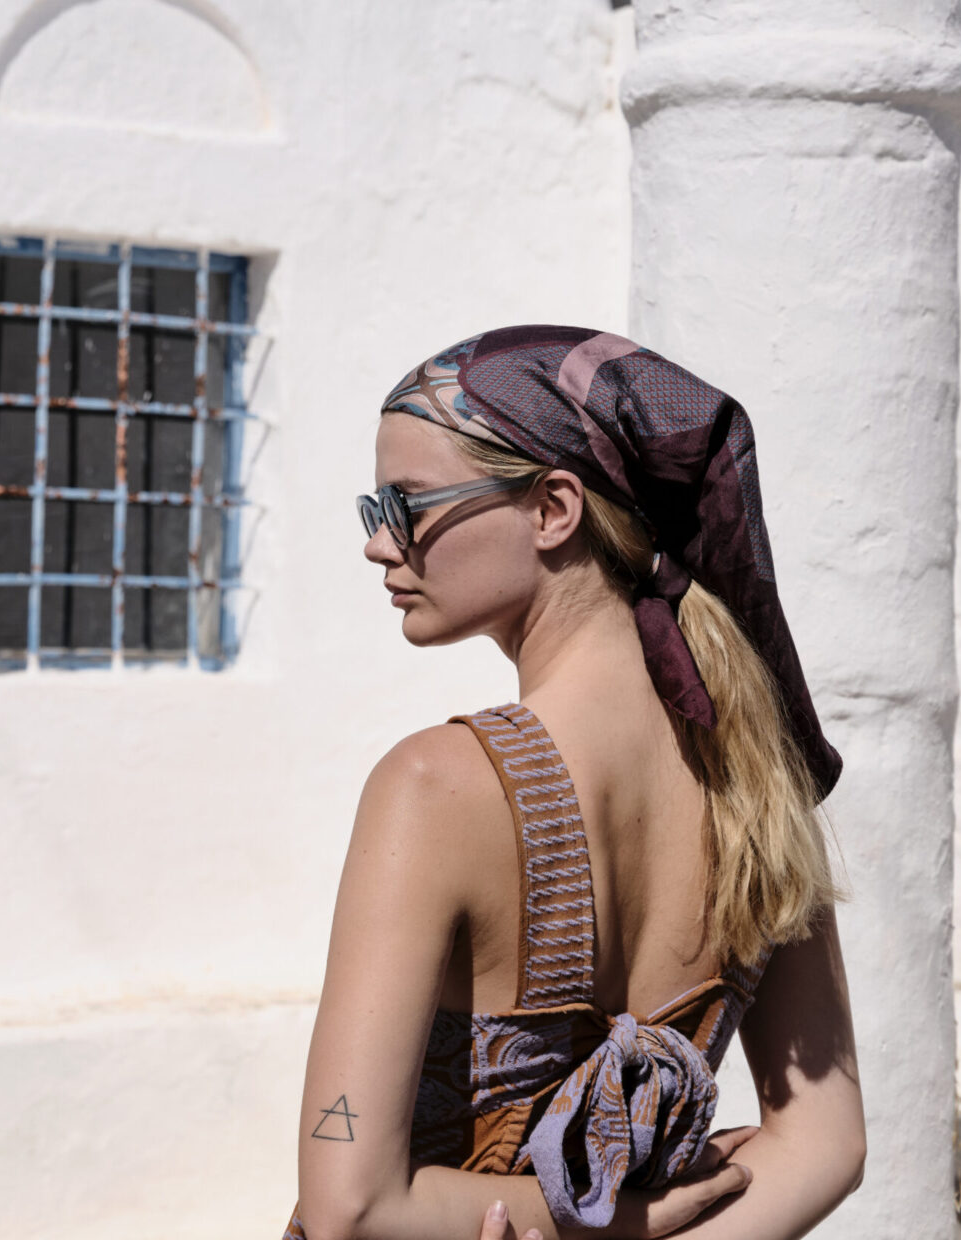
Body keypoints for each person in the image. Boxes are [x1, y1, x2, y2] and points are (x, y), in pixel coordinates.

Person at [287, 328, 867, 1240]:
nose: (378, 544)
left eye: (406, 505)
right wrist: (637, 1222)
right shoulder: (756, 779)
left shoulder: (434, 787)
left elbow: (349, 1207)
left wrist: (602, 1223)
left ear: (554, 508)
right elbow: (825, 1143)